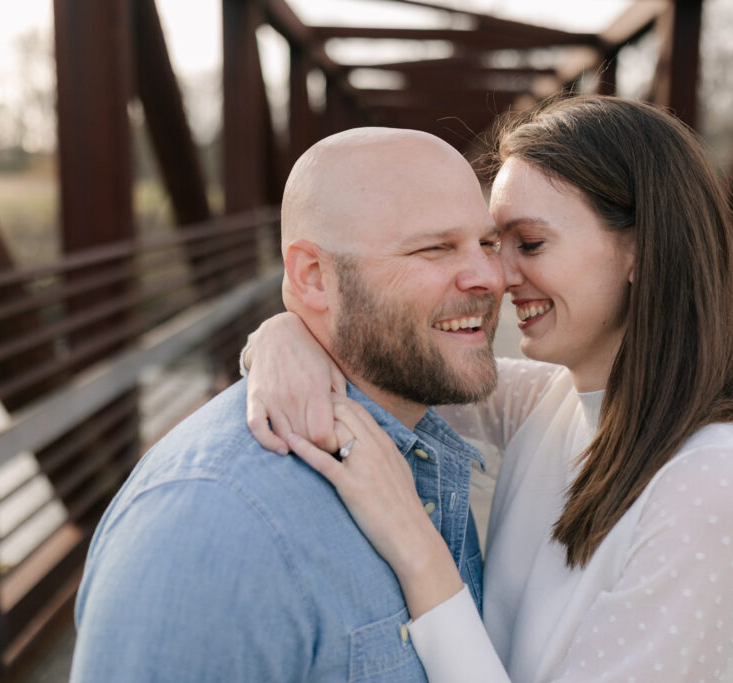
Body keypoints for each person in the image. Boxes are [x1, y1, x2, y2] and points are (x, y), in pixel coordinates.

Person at [242, 96, 733, 682]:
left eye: (528, 244)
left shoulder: (716, 485)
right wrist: (285, 331)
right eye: (490, 243)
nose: (497, 276)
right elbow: (390, 362)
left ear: (640, 250)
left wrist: (415, 543)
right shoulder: (551, 403)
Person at [70, 127, 505, 681]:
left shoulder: (427, 437)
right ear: (312, 277)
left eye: (488, 243)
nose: (490, 277)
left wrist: (281, 329)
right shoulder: (208, 527)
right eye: (435, 248)